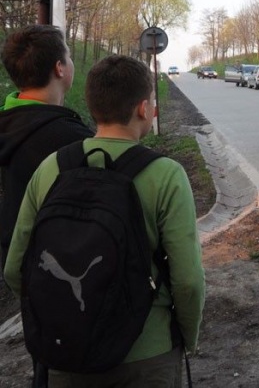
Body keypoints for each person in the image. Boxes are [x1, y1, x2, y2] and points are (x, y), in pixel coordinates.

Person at [4, 54, 205, 387]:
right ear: (144, 109)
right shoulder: (167, 175)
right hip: (148, 356)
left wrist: (61, 318)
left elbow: (15, 268)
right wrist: (186, 338)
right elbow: (188, 281)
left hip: (67, 354)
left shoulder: (51, 168)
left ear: (92, 106)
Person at [0, 25, 94, 388]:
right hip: (63, 271)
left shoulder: (8, 125)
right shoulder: (68, 139)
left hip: (22, 268)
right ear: (60, 68)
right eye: (69, 54)